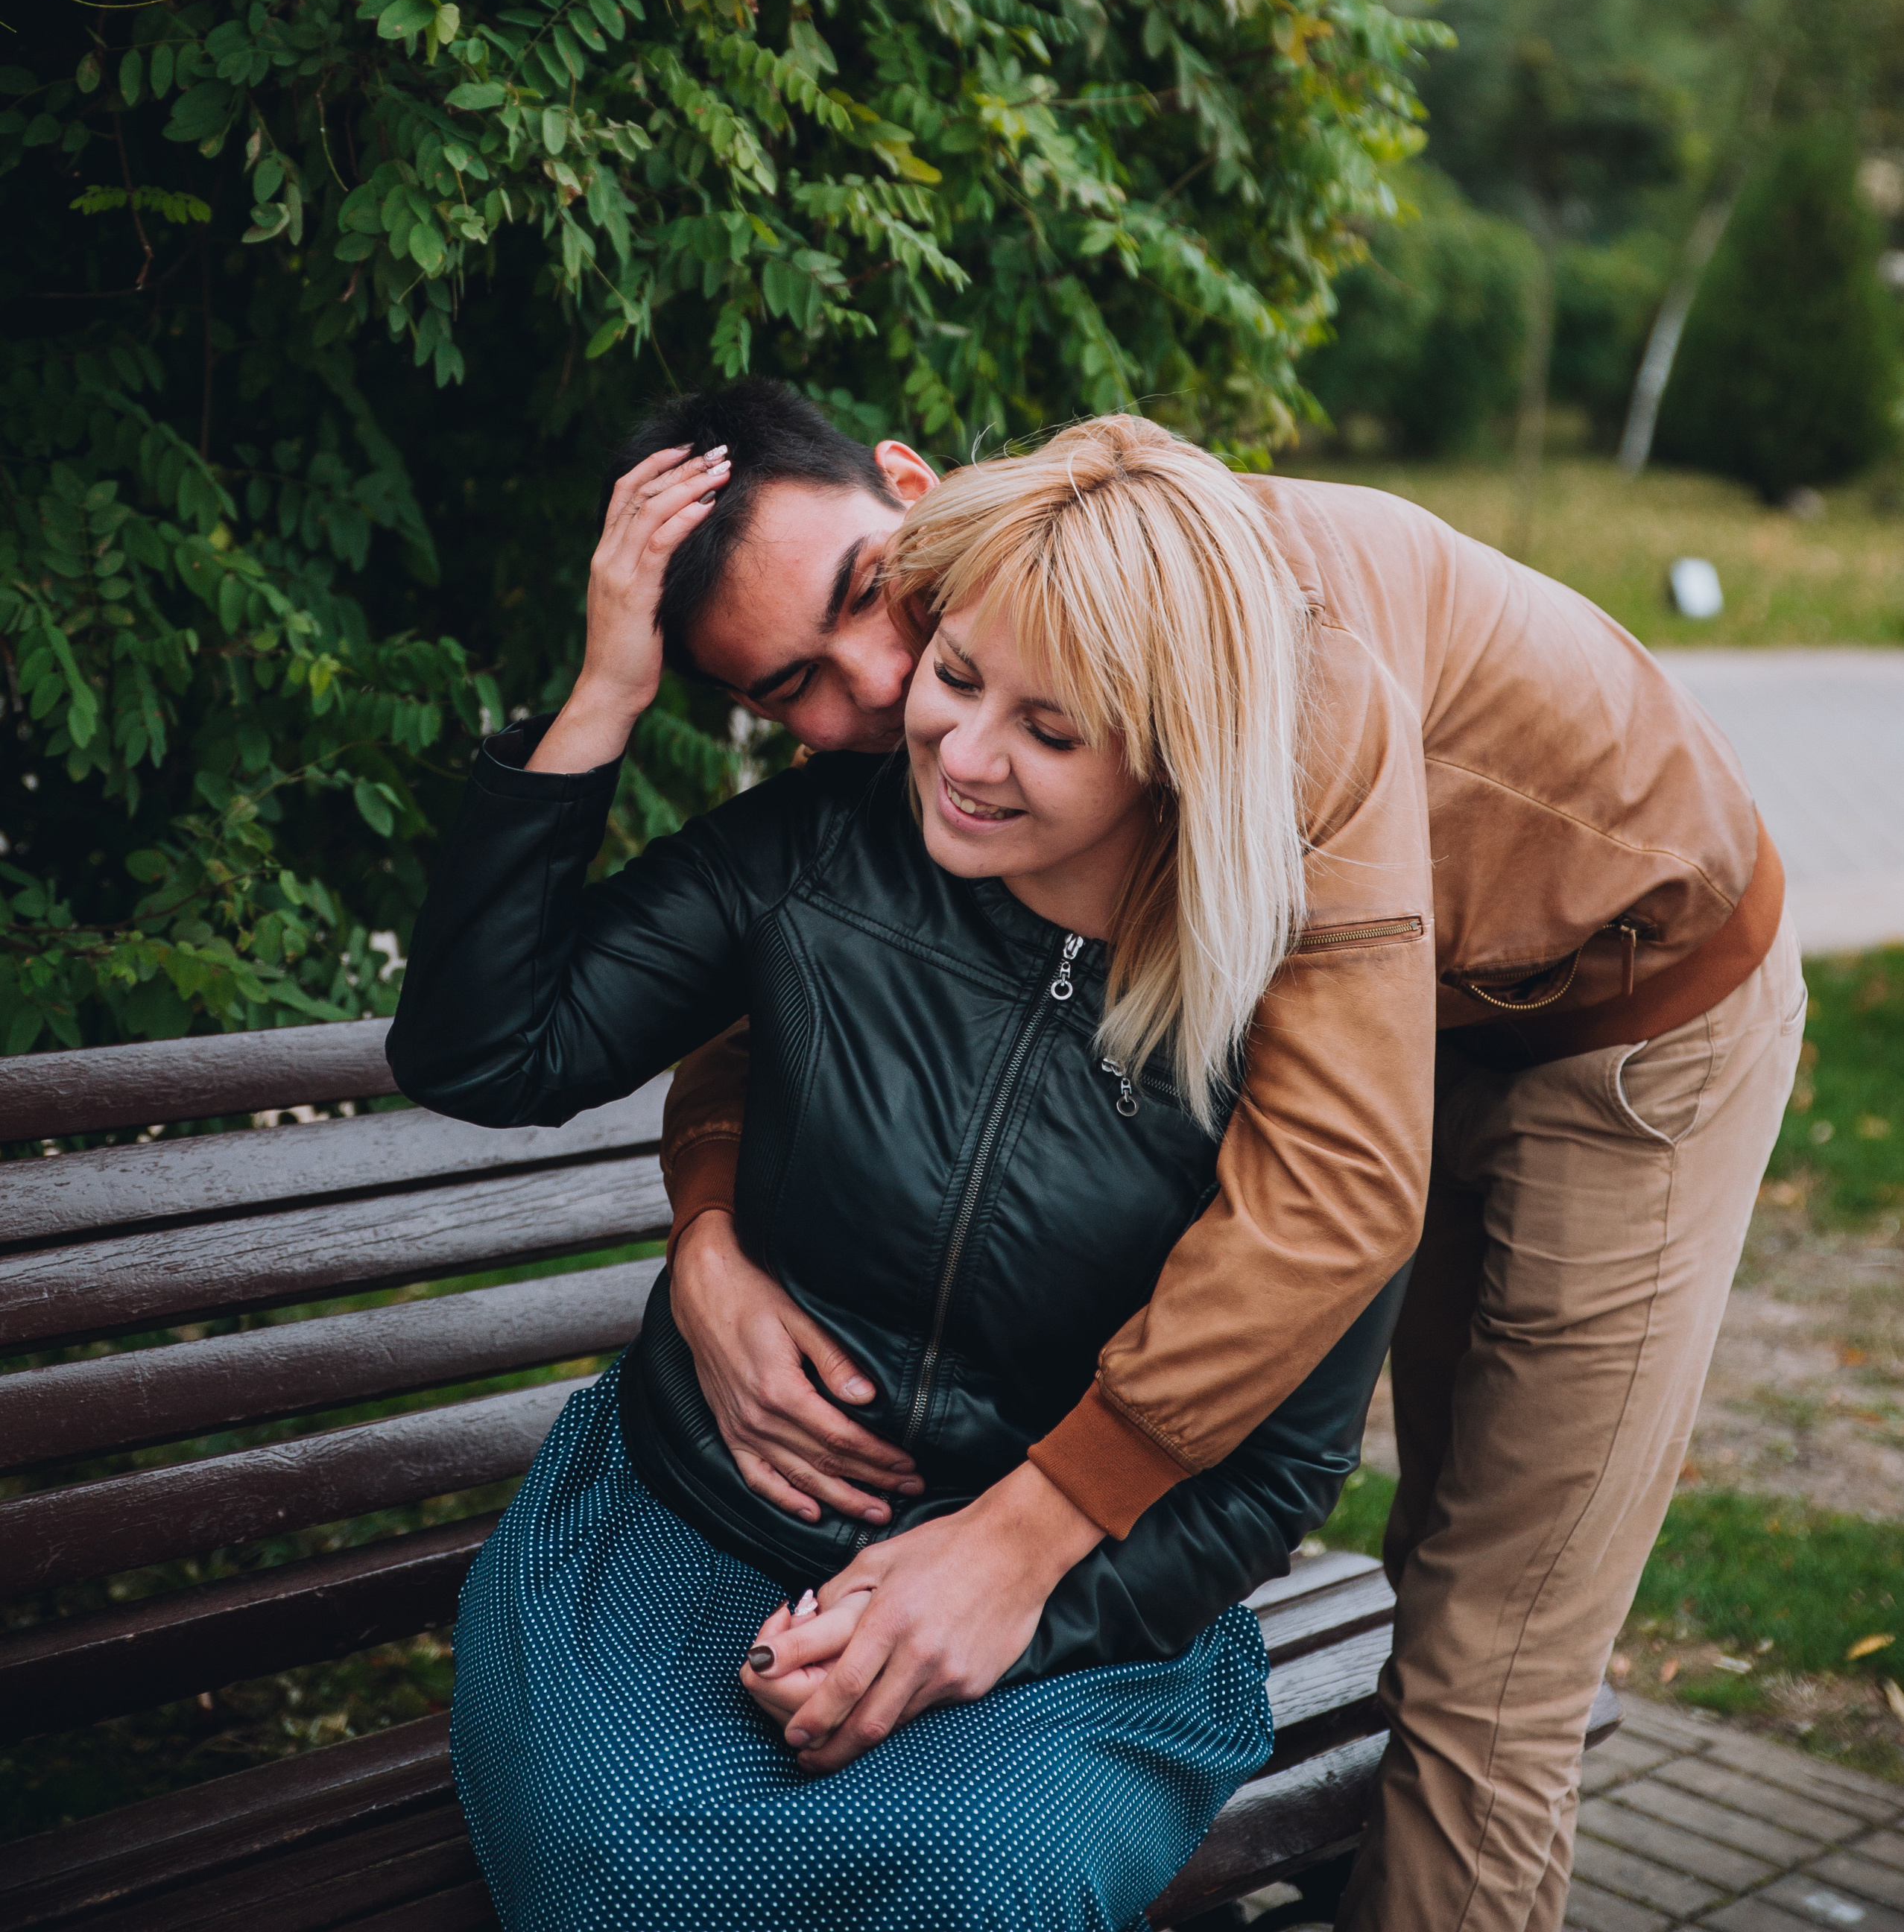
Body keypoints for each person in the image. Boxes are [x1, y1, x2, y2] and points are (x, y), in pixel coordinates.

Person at [630, 381, 1800, 1932]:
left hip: (1627, 1014)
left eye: (865, 597)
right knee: (1431, 1558)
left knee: (1489, 1647)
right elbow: (788, 971)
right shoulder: (980, 656)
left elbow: (1338, 1189)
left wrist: (1023, 1536)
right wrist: (705, 1235)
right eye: (799, 686)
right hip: (1431, 1003)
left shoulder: (1265, 656)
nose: (883, 686)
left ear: (912, 491)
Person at [387, 418, 1408, 1932]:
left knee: (975, 1888)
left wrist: (982, 1609)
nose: (941, 738)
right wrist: (608, 685)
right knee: (638, 1862)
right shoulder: (811, 854)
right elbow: (485, 1053)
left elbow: (1273, 1466)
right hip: (689, 1530)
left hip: (1073, 1623)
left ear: (1170, 743)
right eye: (956, 677)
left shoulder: (1289, 1012)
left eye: (1052, 733)